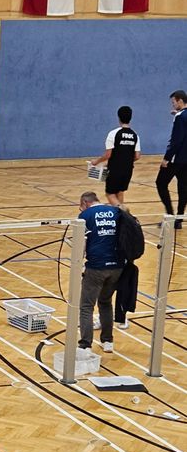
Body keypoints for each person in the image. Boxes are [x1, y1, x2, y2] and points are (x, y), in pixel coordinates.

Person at [77, 191, 123, 355]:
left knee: (86, 306)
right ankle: (108, 341)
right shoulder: (116, 212)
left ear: (84, 203)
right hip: (117, 267)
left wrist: (79, 265)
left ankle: (85, 345)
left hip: (96, 267)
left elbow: (79, 243)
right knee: (105, 302)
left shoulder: (85, 215)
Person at [90, 105, 140, 206]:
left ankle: (124, 213)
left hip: (115, 170)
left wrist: (96, 162)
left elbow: (108, 154)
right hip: (128, 170)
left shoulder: (113, 134)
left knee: (110, 194)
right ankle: (121, 219)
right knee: (120, 191)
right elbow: (137, 156)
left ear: (119, 117)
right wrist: (125, 160)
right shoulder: (135, 135)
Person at [156, 90, 186, 224]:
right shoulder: (182, 115)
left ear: (180, 101)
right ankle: (179, 218)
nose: (172, 105)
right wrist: (178, 115)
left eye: (173, 102)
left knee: (161, 183)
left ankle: (169, 214)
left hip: (176, 159)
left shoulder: (180, 117)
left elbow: (176, 140)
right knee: (184, 187)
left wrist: (167, 158)